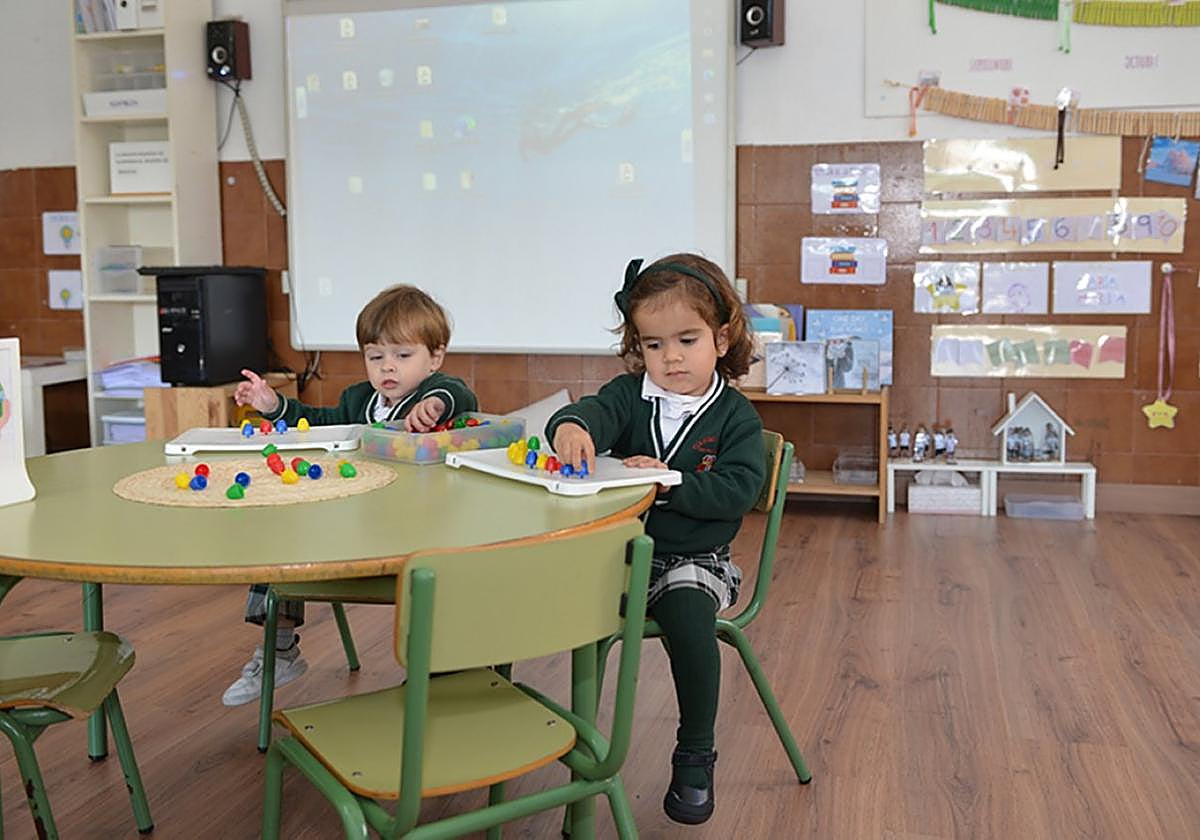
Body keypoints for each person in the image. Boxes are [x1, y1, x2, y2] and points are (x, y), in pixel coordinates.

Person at [547, 254, 763, 826]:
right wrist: (570, 428)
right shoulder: (629, 395)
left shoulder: (736, 417)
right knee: (522, 589)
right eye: (653, 344)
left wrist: (667, 483)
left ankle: (695, 750)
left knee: (690, 617)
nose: (670, 357)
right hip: (616, 559)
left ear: (720, 338)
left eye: (686, 340)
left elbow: (737, 491)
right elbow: (588, 413)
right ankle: (493, 716)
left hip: (696, 558)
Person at [220, 284, 477, 707]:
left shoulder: (437, 393)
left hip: (418, 542)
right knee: (278, 541)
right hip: (357, 530)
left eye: (403, 356)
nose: (387, 367)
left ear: (435, 357)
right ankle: (279, 650)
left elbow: (458, 394)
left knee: (448, 588)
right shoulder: (359, 400)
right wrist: (271, 404)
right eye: (375, 357)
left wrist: (433, 405)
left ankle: (443, 670)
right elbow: (321, 423)